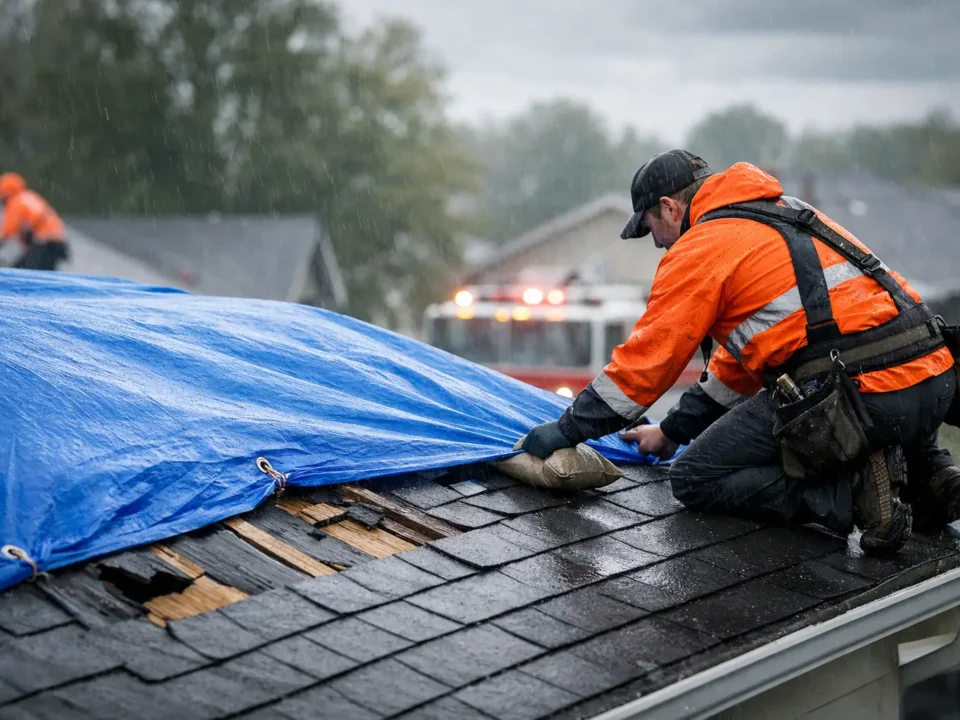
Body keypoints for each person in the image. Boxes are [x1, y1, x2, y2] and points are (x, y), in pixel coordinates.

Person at [519, 149, 960, 554]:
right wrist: (671, 431)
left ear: (670, 208)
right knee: (886, 384)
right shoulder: (785, 212)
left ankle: (853, 495)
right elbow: (738, 366)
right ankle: (933, 478)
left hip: (861, 400)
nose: (656, 243)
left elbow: (646, 364)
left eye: (651, 227)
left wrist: (566, 430)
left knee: (694, 478)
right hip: (935, 382)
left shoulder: (702, 245)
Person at [0, 172, 69, 271]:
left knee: (24, 272)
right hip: (56, 239)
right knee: (44, 273)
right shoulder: (29, 196)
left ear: (6, 193)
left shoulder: (15, 202)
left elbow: (8, 230)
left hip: (44, 241)